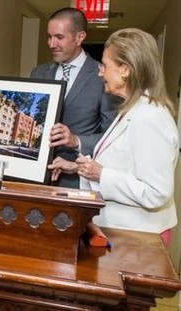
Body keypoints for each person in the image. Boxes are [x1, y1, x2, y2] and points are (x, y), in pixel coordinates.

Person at [75, 28, 179, 245]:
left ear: (125, 70)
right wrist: (82, 167)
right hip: (125, 233)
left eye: (105, 65)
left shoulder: (150, 117)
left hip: (140, 239)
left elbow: (156, 191)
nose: (100, 72)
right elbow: (125, 164)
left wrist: (101, 174)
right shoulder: (131, 110)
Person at [30, 7, 119, 189]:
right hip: (35, 177)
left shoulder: (103, 77)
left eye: (59, 37)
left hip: (77, 180)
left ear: (80, 37)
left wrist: (76, 140)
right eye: (49, 36)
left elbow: (112, 137)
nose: (51, 44)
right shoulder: (39, 72)